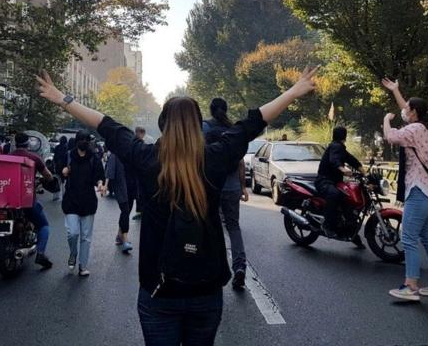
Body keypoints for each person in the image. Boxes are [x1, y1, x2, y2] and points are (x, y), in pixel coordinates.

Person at [37, 65, 318, 345]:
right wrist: (293, 91)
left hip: (158, 291)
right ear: (199, 125)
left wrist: (63, 98)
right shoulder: (216, 157)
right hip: (206, 290)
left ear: (162, 125)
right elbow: (252, 123)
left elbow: (105, 125)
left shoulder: (146, 157)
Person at [382, 78, 428, 301]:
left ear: (414, 112)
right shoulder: (426, 127)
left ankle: (410, 285)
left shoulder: (415, 129)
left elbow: (390, 136)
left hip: (419, 190)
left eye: (407, 109)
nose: (404, 111)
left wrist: (385, 120)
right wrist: (396, 91)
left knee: (409, 236)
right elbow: (407, 110)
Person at [0, 133, 54, 270]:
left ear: (14, 143)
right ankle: (40, 253)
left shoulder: (5, 158)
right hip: (27, 202)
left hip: (4, 201)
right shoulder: (34, 158)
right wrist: (48, 179)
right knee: (43, 225)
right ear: (28, 144)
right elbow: (48, 175)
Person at [202, 98, 250, 290]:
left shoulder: (205, 127)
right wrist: (243, 187)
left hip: (210, 185)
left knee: (207, 228)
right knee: (233, 227)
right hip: (231, 187)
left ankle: (210, 269)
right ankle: (239, 267)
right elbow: (240, 161)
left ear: (211, 110)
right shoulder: (234, 129)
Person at [61, 130, 106, 276]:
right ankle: (73, 254)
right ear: (77, 141)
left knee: (86, 236)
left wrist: (100, 184)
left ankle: (83, 265)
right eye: (83, 141)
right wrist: (64, 171)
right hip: (71, 200)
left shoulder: (94, 158)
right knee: (72, 233)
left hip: (88, 201)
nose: (85, 143)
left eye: (87, 141)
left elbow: (99, 176)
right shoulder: (68, 156)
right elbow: (58, 169)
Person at [315, 126, 366, 245]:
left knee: (348, 199)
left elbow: (351, 159)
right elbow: (334, 160)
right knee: (334, 194)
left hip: (335, 182)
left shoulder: (340, 148)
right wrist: (343, 169)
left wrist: (364, 172)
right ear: (345, 136)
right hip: (324, 181)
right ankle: (327, 225)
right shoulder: (335, 146)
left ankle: (350, 231)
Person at [104, 153, 134, 254]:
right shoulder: (115, 153)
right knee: (125, 210)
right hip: (120, 186)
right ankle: (125, 239)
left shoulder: (132, 150)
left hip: (132, 186)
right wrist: (105, 185)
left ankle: (119, 235)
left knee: (127, 211)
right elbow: (110, 170)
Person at [130, 127, 146, 221]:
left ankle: (140, 211)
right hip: (136, 173)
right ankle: (140, 211)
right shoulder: (138, 143)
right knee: (138, 193)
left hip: (136, 174)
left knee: (139, 193)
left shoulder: (136, 142)